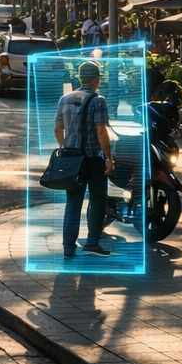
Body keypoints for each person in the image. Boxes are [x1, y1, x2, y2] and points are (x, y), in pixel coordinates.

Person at [54, 61, 115, 258]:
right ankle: (92, 243)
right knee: (97, 200)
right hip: (93, 159)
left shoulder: (65, 99)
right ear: (96, 79)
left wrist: (66, 147)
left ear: (80, 78)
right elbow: (101, 131)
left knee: (73, 202)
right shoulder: (98, 100)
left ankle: (68, 249)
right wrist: (109, 158)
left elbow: (58, 129)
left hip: (72, 159)